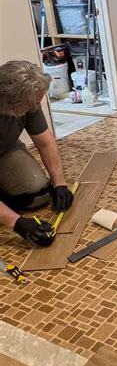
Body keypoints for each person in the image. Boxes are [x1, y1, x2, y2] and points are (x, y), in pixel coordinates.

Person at [0, 60, 74, 247]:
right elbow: (16, 223)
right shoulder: (21, 98)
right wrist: (17, 223)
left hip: (4, 150)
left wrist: (60, 184)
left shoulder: (30, 101)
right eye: (32, 103)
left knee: (35, 192)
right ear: (11, 101)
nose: (36, 106)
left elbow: (45, 142)